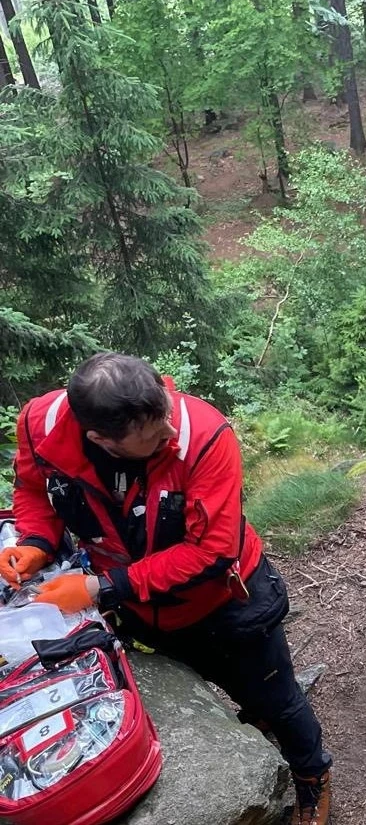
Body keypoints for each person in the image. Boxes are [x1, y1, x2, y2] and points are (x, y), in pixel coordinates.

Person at [1, 353, 333, 825]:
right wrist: (35, 541)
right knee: (207, 675)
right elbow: (35, 490)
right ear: (101, 439)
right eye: (154, 434)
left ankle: (312, 772)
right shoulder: (41, 427)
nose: (169, 432)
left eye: (166, 415)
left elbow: (213, 550)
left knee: (278, 693)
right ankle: (256, 717)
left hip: (226, 600)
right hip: (143, 610)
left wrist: (101, 587)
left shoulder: (203, 436)